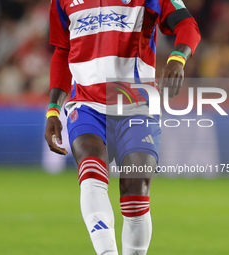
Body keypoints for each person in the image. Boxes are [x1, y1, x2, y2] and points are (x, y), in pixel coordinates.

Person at [45, 0, 201, 254]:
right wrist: (53, 108)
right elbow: (63, 50)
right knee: (91, 168)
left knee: (136, 189)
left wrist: (178, 58)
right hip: (87, 105)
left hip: (137, 106)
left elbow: (187, 25)